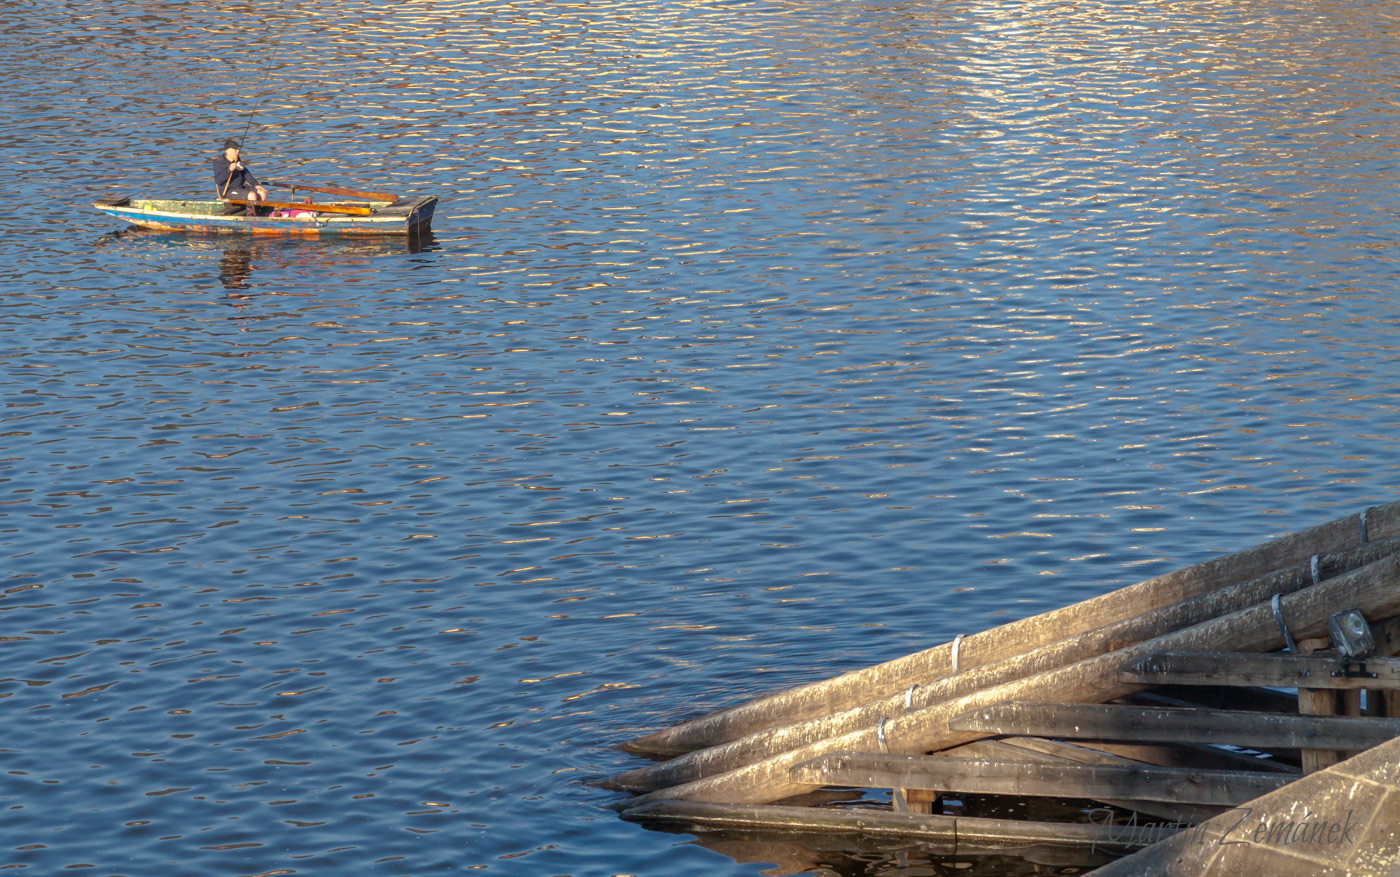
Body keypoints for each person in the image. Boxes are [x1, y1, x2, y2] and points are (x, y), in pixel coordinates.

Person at [214, 139, 268, 203]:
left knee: (262, 192)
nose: (238, 151)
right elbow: (218, 181)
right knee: (252, 195)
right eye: (235, 150)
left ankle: (258, 210)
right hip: (228, 192)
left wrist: (255, 184)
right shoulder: (219, 163)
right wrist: (229, 170)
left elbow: (245, 173)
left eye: (238, 149)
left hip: (241, 188)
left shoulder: (237, 160)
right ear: (227, 151)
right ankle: (251, 212)